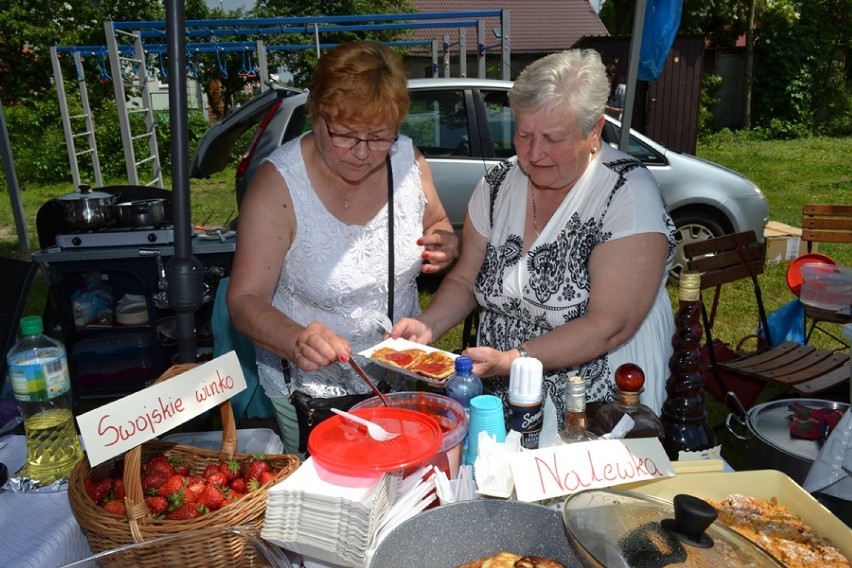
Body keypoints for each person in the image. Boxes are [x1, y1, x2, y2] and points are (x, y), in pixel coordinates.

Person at [390, 48, 675, 429]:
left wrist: (512, 361)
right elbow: (464, 279)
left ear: (594, 130)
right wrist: (428, 325)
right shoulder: (497, 185)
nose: (534, 153)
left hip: (594, 400)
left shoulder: (626, 191)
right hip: (503, 384)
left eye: (552, 138)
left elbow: (609, 324)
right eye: (523, 134)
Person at [226, 40, 458, 455]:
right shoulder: (277, 185)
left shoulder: (407, 160)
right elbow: (244, 299)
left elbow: (438, 222)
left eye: (379, 137)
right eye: (346, 135)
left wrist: (445, 243)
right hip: (309, 389)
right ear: (315, 115)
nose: (364, 153)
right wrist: (295, 338)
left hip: (397, 376)